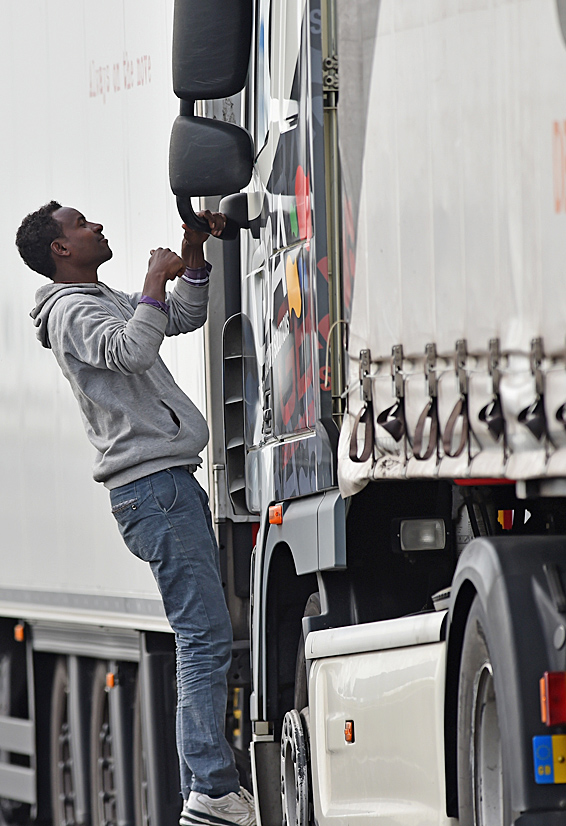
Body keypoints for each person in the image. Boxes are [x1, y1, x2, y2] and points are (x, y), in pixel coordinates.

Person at [15, 202, 256, 826]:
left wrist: (193, 255)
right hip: (154, 489)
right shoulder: (70, 312)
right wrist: (152, 279)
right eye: (80, 224)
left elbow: (181, 317)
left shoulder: (99, 297)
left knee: (203, 636)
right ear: (60, 249)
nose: (95, 226)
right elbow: (131, 352)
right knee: (202, 638)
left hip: (166, 485)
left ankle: (207, 792)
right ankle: (212, 790)